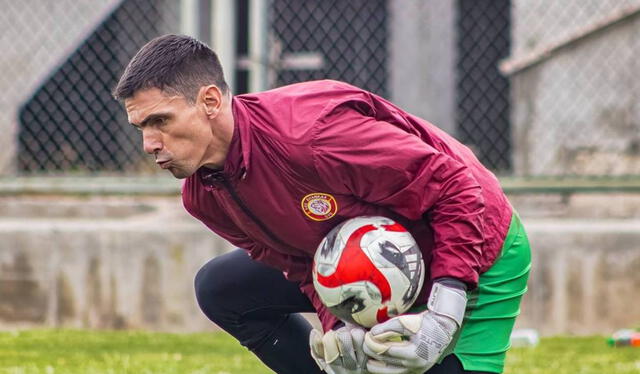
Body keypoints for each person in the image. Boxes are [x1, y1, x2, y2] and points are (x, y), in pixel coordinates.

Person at [113, 34, 531, 374]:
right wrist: (340, 326)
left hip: (474, 245)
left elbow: (455, 188)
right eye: (140, 127)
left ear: (209, 102)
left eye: (160, 121)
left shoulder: (311, 136)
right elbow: (300, 262)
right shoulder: (204, 196)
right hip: (370, 264)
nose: (149, 144)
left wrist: (446, 308)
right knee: (222, 288)